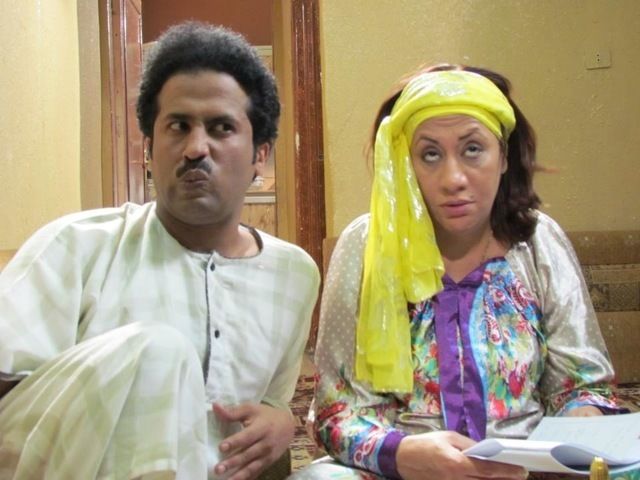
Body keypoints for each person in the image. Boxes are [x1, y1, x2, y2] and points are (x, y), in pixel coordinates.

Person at [0, 22, 319, 480]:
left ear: (260, 156)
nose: (195, 148)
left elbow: (271, 400)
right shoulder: (78, 245)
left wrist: (281, 419)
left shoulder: (294, 275)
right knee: (159, 353)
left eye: (221, 128)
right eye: (178, 126)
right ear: (150, 148)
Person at [295, 64, 623, 480]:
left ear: (503, 157)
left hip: (524, 471)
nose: (453, 179)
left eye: (472, 149)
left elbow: (582, 386)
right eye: (430, 154)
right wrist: (402, 453)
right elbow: (336, 412)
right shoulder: (365, 246)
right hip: (402, 469)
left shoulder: (539, 242)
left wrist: (580, 423)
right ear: (404, 163)